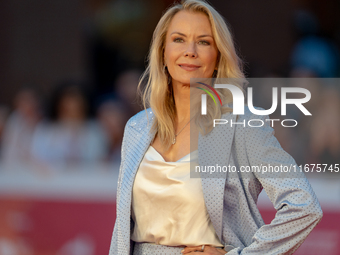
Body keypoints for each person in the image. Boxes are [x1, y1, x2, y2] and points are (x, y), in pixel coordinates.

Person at [109, 0, 323, 254]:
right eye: (178, 39)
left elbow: (304, 205)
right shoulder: (138, 127)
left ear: (218, 56)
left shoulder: (243, 125)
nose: (190, 51)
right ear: (162, 52)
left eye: (203, 42)